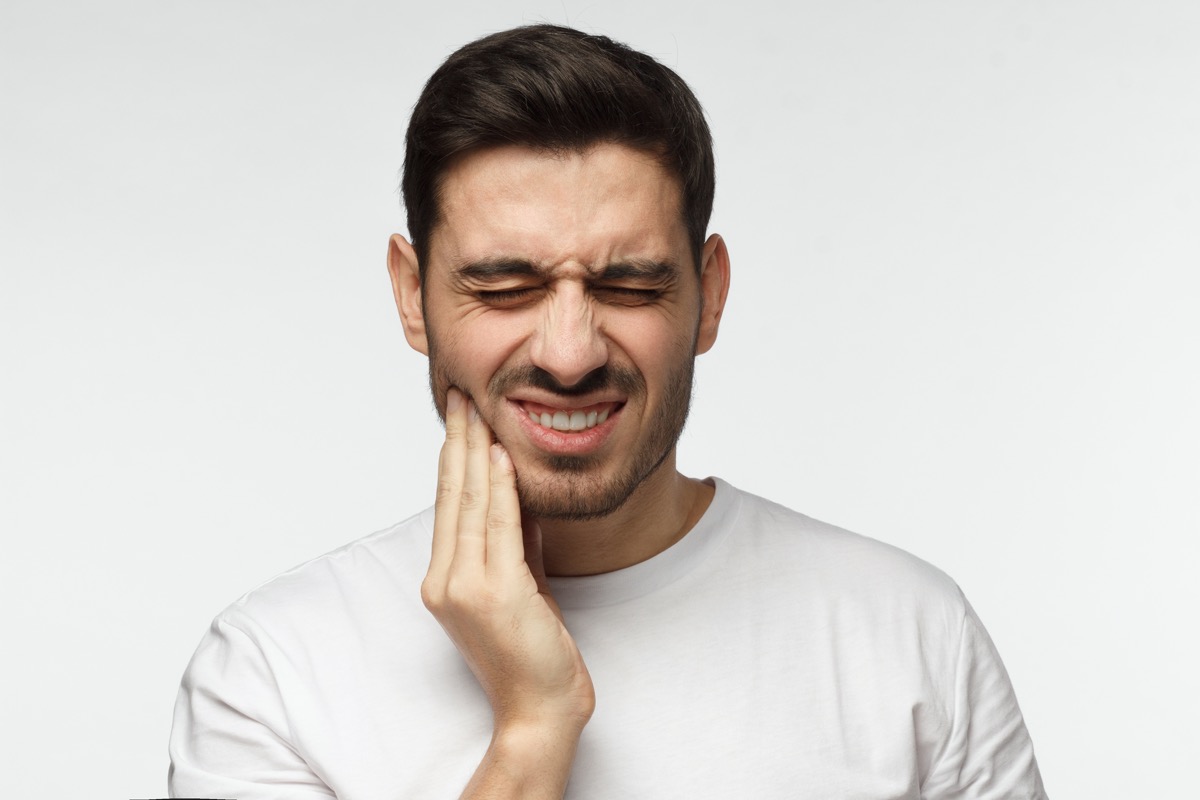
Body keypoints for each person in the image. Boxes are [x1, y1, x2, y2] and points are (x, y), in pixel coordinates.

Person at [168, 24, 1046, 799]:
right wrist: (534, 730)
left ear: (709, 299)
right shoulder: (273, 674)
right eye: (504, 287)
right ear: (411, 296)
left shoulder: (913, 637)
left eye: (629, 285)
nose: (570, 352)